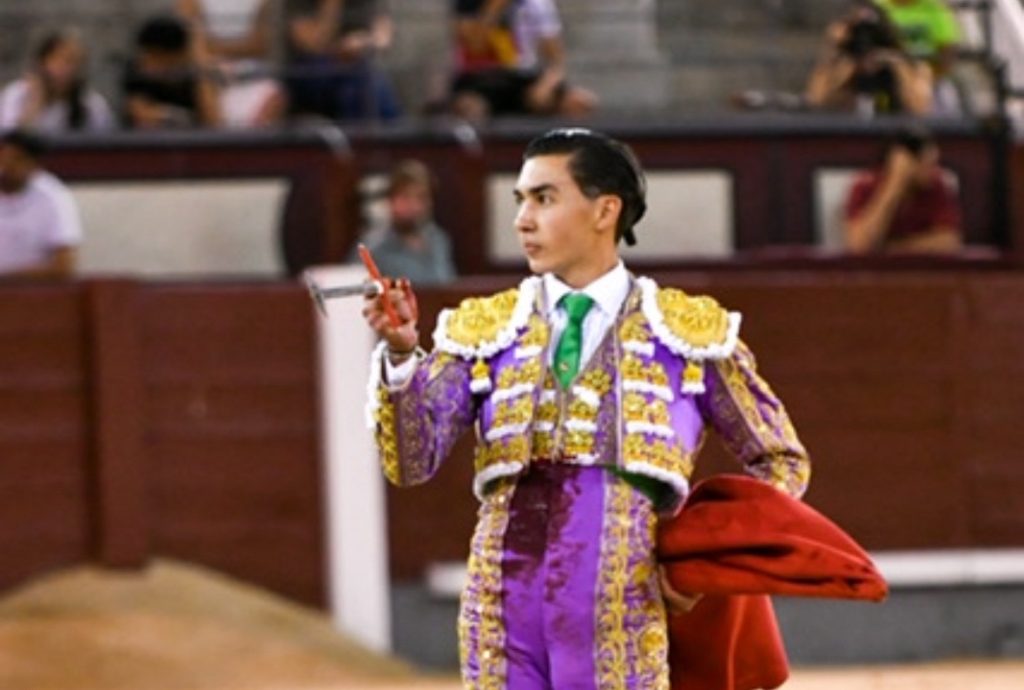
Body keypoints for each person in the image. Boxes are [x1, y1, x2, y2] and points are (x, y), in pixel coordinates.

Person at [362, 128, 810, 688]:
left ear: (605, 211)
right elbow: (411, 461)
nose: (523, 219)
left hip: (625, 600)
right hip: (501, 610)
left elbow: (781, 462)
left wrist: (705, 564)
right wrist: (404, 355)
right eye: (520, 200)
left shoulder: (686, 332)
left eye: (543, 198)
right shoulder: (485, 328)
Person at [451, 0, 597, 121]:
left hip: (525, 78)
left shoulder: (538, 4)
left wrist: (547, 84)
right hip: (482, 79)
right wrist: (496, 7)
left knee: (581, 103)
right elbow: (476, 45)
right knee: (468, 107)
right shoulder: (468, 4)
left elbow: (556, 60)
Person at [844, 126, 962, 254]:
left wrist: (892, 249)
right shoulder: (865, 186)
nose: (934, 170)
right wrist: (894, 186)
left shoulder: (936, 185)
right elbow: (860, 246)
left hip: (919, 270)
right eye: (929, 164)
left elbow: (949, 242)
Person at [805, 0, 933, 116]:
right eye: (859, 33)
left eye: (873, 34)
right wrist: (849, 66)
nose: (866, 42)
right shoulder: (839, 67)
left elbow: (918, 110)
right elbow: (817, 101)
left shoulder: (912, 69)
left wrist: (895, 67)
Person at [174, 0, 287, 128]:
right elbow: (195, 45)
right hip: (210, 76)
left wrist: (211, 47)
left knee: (277, 96)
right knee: (204, 85)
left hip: (251, 75)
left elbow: (259, 45)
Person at [284, 0, 401, 121]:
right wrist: (333, 4)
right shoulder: (296, 3)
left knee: (366, 85)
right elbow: (314, 43)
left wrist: (361, 43)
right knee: (361, 86)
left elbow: (383, 38)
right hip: (310, 71)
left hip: (357, 68)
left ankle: (389, 137)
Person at [350, 159, 457, 286]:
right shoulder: (370, 247)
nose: (413, 205)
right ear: (390, 200)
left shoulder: (438, 240)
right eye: (405, 197)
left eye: (421, 197)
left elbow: (449, 286)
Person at [0, 129, 81, 278]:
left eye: (16, 159)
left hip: (31, 293)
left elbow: (64, 266)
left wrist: (5, 278)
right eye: (3, 157)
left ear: (35, 166)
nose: (6, 166)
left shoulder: (54, 198)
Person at [0, 28, 115, 133]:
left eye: (77, 62)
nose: (68, 69)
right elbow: (8, 145)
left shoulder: (92, 104)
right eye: (62, 60)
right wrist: (34, 104)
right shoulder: (15, 95)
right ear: (42, 61)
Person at [122, 15, 223, 128]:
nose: (146, 63)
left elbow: (214, 122)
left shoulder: (196, 75)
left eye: (155, 57)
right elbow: (139, 113)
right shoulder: (136, 72)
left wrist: (200, 64)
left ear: (178, 56)